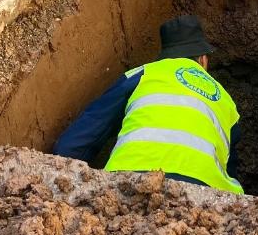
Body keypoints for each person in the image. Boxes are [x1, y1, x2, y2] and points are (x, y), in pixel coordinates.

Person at [52, 15, 243, 194]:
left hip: (127, 181)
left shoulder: (143, 74)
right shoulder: (226, 100)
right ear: (203, 59)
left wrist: (62, 182)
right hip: (201, 194)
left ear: (165, 56)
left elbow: (79, 139)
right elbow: (229, 171)